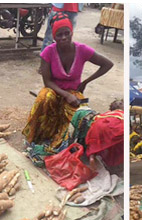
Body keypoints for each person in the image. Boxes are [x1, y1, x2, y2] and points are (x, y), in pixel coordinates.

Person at [23, 15, 113, 163]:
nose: (64, 37)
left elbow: (107, 64)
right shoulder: (48, 52)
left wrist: (85, 82)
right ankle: (35, 136)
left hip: (73, 92)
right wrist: (65, 95)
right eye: (59, 35)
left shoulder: (82, 50)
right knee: (45, 97)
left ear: (72, 33)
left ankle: (72, 144)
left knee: (84, 116)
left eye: (67, 33)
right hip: (55, 89)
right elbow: (47, 81)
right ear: (54, 36)